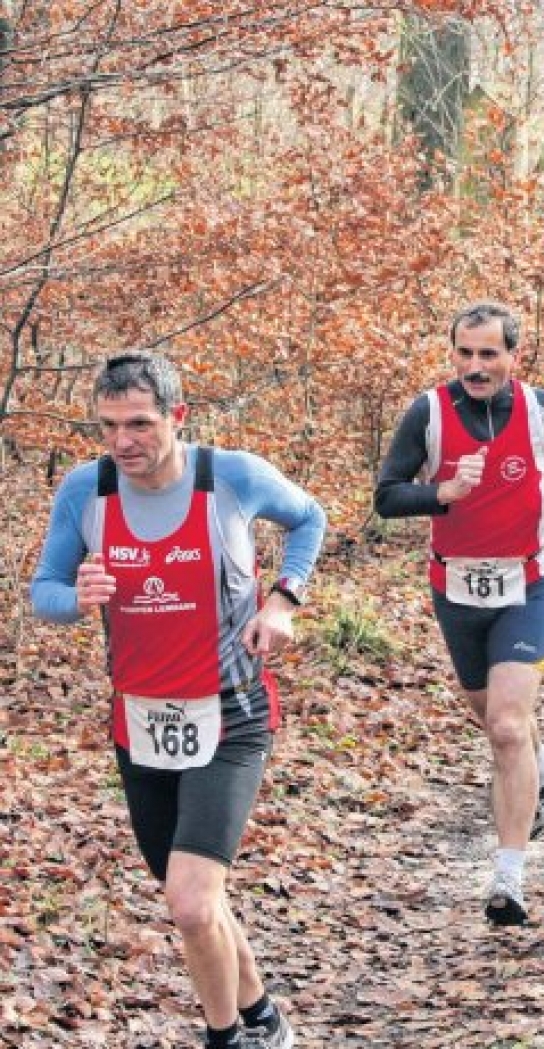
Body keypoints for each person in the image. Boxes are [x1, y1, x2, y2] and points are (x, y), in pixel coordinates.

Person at [31, 353, 326, 1049]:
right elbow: (43, 591)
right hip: (140, 723)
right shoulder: (86, 491)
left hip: (231, 713)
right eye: (108, 426)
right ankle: (264, 1019)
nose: (123, 442)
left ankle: (225, 1038)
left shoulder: (230, 476)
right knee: (199, 900)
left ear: (177, 417)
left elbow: (309, 518)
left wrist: (284, 599)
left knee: (189, 900)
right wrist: (77, 598)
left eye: (139, 423)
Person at [374, 302, 544, 927]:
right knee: (497, 723)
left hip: (526, 583)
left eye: (488, 354)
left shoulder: (540, 407)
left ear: (511, 357)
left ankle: (509, 878)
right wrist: (441, 492)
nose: (475, 367)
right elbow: (386, 497)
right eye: (464, 354)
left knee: (504, 725)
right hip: (457, 590)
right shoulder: (429, 413)